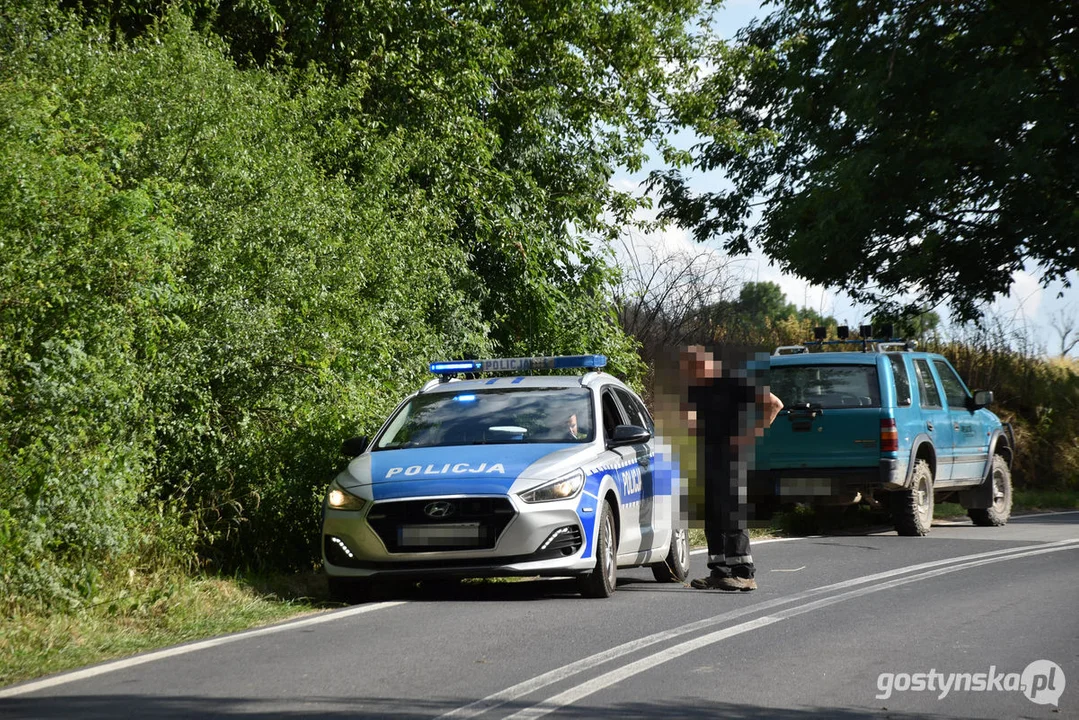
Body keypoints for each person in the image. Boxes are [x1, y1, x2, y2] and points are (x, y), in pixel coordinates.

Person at [681, 346, 783, 591]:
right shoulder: (696, 389)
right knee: (713, 514)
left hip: (733, 457)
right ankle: (720, 571)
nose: (688, 373)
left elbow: (775, 404)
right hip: (708, 457)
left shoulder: (734, 382)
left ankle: (744, 574)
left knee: (732, 512)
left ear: (707, 364)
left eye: (692, 367)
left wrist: (751, 434)